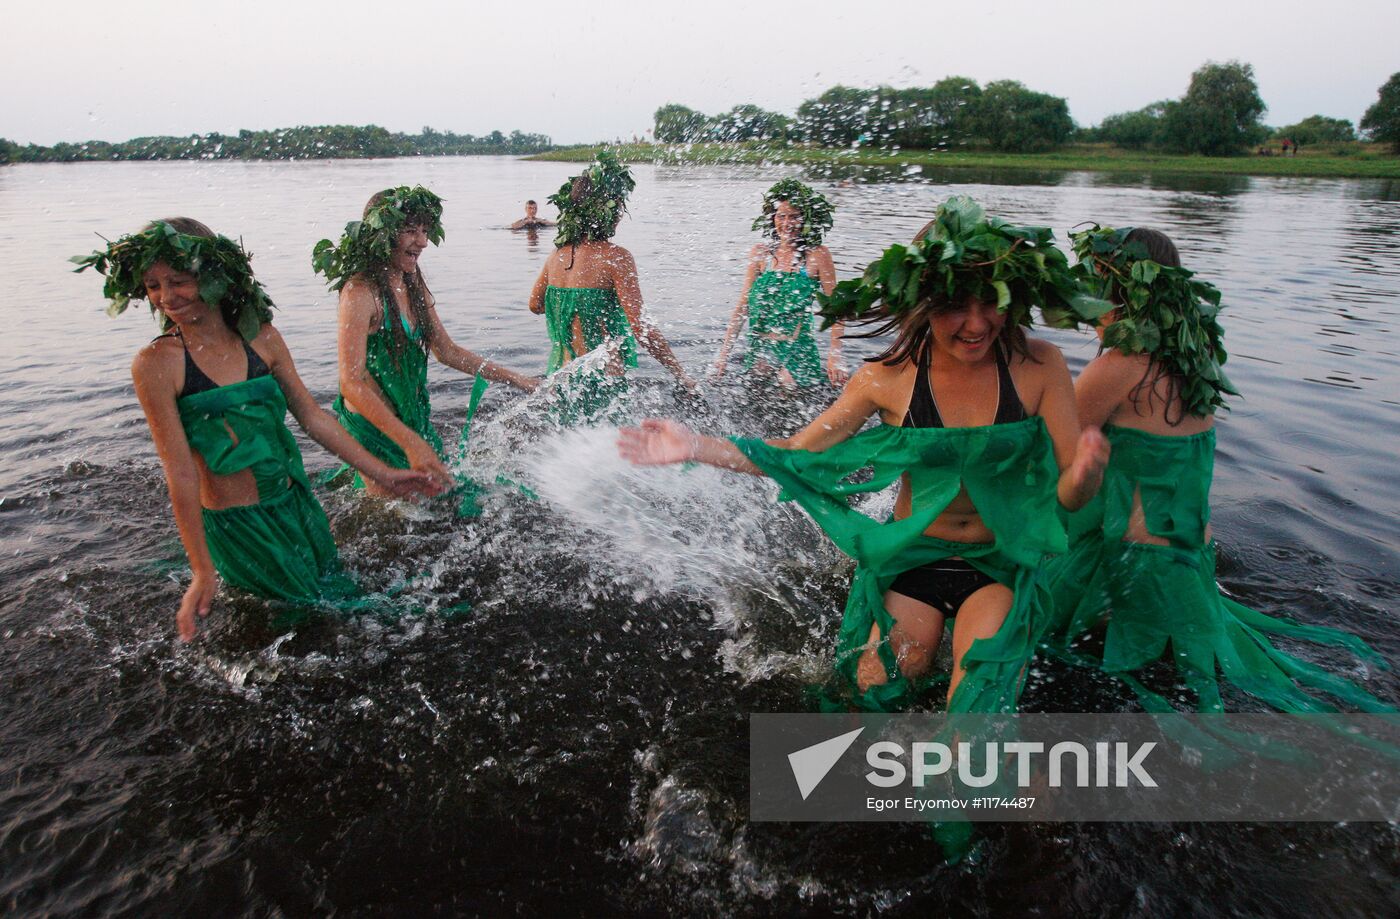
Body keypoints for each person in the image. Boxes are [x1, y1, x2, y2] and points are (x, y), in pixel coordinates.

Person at [620, 197, 1111, 713]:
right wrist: (696, 446)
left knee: (978, 701)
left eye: (989, 301)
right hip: (912, 558)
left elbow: (1070, 497)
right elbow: (796, 453)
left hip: (999, 563)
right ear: (921, 301)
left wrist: (1086, 471)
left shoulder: (1038, 365)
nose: (975, 324)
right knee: (875, 690)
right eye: (953, 305)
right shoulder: (886, 378)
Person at [1046, 225, 1393, 713]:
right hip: (1190, 555)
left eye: (1094, 291)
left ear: (1120, 296)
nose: (1086, 307)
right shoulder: (1199, 356)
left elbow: (1051, 453)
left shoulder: (1120, 366)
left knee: (1029, 623)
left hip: (1128, 564)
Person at [73, 219, 442, 641]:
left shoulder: (262, 338)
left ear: (214, 274)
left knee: (337, 614)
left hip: (297, 506)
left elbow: (313, 418)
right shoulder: (158, 363)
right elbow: (180, 472)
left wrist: (384, 472)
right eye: (153, 286)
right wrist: (201, 569)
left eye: (178, 281)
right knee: (298, 626)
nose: (166, 297)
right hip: (240, 526)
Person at [313, 186, 539, 498]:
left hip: (411, 421)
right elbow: (351, 382)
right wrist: (410, 442)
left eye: (424, 231)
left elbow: (446, 351)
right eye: (410, 231)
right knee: (390, 522)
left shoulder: (411, 280)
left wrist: (518, 379)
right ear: (382, 234)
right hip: (373, 430)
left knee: (438, 503)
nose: (422, 241)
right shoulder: (359, 292)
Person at [526, 151, 694, 420]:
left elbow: (535, 305)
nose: (619, 215)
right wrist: (679, 372)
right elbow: (640, 327)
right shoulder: (616, 257)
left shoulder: (555, 257)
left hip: (559, 374)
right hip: (603, 376)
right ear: (603, 211)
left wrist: (575, 311)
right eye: (617, 207)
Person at [712, 179, 847, 388]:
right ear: (772, 218)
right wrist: (722, 356)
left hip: (797, 348)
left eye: (794, 217)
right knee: (754, 395)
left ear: (807, 219)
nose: (787, 223)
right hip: (760, 346)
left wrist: (835, 355)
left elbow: (837, 309)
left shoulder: (817, 255)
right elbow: (743, 306)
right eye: (781, 216)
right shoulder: (761, 254)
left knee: (789, 386)